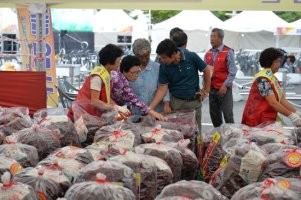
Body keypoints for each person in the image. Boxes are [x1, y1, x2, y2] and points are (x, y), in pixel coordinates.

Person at [149, 39, 211, 133]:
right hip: (176, 104)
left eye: (164, 57)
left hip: (194, 103)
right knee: (178, 134)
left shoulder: (191, 56)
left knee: (196, 134)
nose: (162, 60)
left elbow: (206, 70)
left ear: (173, 54)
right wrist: (149, 109)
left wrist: (206, 90)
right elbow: (162, 89)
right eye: (160, 57)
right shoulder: (163, 66)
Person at [67, 44, 130, 121]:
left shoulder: (107, 74)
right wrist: (116, 107)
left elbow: (107, 97)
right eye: (118, 61)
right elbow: (95, 102)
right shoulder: (97, 77)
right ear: (109, 62)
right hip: (80, 115)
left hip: (91, 115)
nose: (119, 64)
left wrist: (118, 109)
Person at [241, 47, 301, 127]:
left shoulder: (272, 78)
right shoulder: (262, 79)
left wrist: (296, 113)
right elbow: (273, 102)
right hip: (257, 119)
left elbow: (282, 99)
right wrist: (292, 116)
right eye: (276, 62)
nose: (279, 65)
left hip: (267, 117)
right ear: (269, 62)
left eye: (279, 61)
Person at [111, 55, 165, 120]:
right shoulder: (117, 80)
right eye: (133, 73)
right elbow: (133, 99)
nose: (136, 75)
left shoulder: (121, 75)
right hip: (108, 108)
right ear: (124, 71)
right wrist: (151, 112)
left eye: (137, 72)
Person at [204, 28, 237, 128]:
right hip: (212, 89)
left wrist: (225, 85)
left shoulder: (228, 51)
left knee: (228, 115)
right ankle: (218, 137)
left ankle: (232, 138)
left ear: (221, 38)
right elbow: (205, 72)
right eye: (211, 36)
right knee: (214, 115)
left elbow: (233, 71)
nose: (211, 39)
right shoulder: (208, 53)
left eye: (214, 36)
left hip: (224, 88)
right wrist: (205, 88)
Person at [130, 38, 170, 115]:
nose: (144, 59)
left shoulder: (158, 68)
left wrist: (166, 103)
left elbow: (164, 88)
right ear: (135, 55)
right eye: (140, 57)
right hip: (137, 112)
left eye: (146, 56)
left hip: (156, 111)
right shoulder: (130, 69)